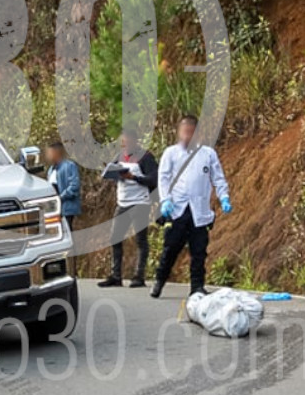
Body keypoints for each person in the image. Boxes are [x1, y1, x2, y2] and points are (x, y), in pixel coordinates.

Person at [150, 115, 232, 299]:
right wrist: (166, 200)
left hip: (200, 211)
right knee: (170, 250)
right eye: (184, 132)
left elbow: (217, 178)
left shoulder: (208, 154)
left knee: (199, 251)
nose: (187, 136)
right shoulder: (171, 153)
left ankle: (197, 287)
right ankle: (159, 281)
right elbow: (163, 178)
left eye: (191, 133)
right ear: (179, 133)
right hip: (177, 209)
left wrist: (224, 197)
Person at [97, 130, 158, 288]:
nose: (124, 146)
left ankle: (139, 276)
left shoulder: (146, 157)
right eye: (122, 143)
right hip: (122, 202)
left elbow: (154, 180)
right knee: (115, 238)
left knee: (140, 239)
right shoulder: (119, 156)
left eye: (127, 142)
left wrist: (134, 178)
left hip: (140, 203)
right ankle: (116, 275)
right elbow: (110, 171)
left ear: (135, 141)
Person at [45, 142, 82, 230]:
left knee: (67, 230)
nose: (48, 156)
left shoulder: (70, 166)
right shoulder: (50, 170)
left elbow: (74, 186)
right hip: (55, 209)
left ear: (56, 153)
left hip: (67, 207)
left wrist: (61, 197)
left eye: (50, 153)